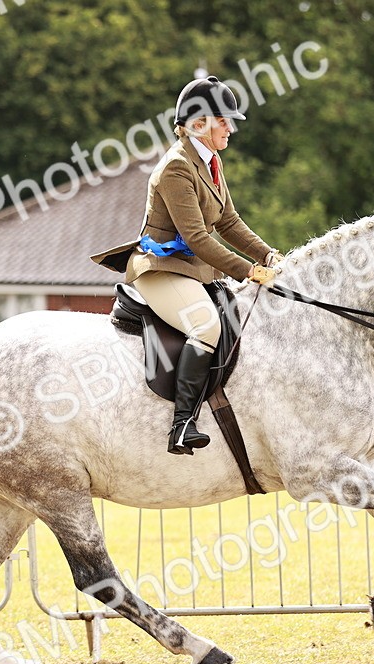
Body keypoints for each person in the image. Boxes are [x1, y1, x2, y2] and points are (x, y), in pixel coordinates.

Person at [91, 76, 282, 455]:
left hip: (195, 270)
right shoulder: (176, 168)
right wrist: (249, 271)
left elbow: (229, 222)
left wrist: (269, 255)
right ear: (198, 124)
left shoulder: (211, 161)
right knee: (206, 326)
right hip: (161, 270)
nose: (231, 127)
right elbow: (197, 238)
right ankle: (181, 425)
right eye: (223, 120)